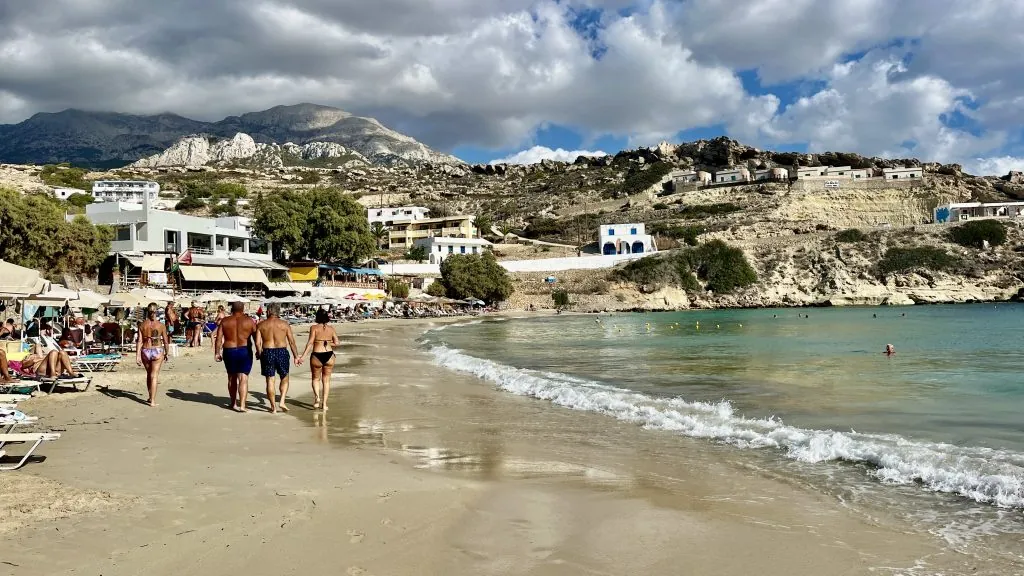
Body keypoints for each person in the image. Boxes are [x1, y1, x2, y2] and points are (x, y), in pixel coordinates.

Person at [255, 303, 300, 413]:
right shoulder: (284, 324)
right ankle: (282, 401)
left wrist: (259, 353)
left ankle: (273, 407)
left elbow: (257, 343)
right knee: (284, 377)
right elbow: (292, 342)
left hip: (267, 352)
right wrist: (296, 356)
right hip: (281, 351)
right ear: (278, 312)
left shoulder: (261, 325)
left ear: (269, 311)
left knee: (270, 380)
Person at [215, 302, 256, 412]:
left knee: (231, 377)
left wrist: (217, 353)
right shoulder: (250, 321)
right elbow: (256, 337)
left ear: (232, 309)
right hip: (245, 350)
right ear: (243, 309)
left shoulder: (225, 321)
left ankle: (233, 403)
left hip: (229, 350)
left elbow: (218, 338)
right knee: (243, 378)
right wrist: (259, 350)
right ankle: (242, 405)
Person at [298, 308, 338, 411]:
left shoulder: (314, 328)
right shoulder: (331, 328)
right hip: (329, 355)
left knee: (315, 378)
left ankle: (317, 398)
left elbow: (310, 343)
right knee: (326, 380)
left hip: (317, 355)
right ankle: (324, 404)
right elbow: (337, 343)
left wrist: (302, 357)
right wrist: (328, 343)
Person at [135, 303, 169, 407]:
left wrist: (137, 356)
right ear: (156, 311)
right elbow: (165, 341)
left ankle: (150, 396)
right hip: (157, 350)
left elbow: (139, 341)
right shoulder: (161, 325)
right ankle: (153, 401)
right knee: (154, 376)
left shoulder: (142, 325)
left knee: (149, 374)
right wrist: (167, 353)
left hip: (145, 350)